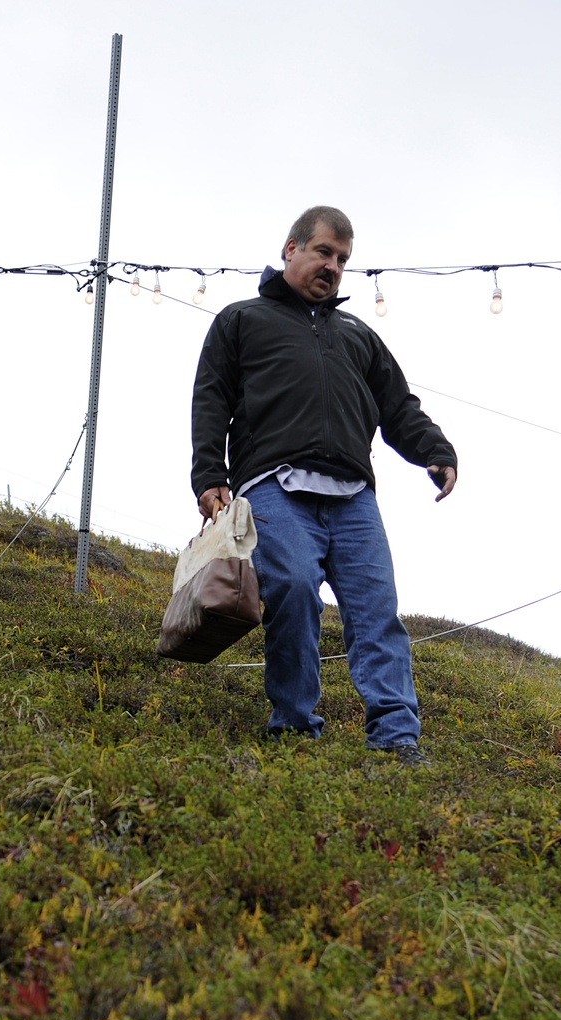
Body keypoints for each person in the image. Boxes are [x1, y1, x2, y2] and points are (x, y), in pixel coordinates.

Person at [190, 206, 457, 766]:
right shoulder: (241, 319)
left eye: (342, 260)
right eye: (324, 253)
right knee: (290, 591)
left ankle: (396, 736)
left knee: (376, 609)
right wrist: (210, 475)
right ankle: (292, 723)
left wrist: (435, 452)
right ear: (291, 249)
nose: (333, 267)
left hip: (354, 496)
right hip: (272, 486)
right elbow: (211, 399)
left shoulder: (359, 335)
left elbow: (398, 407)